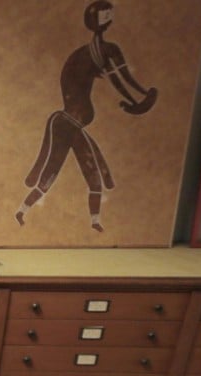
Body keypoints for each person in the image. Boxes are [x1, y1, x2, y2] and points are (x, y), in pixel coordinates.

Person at [15, 1, 157, 233]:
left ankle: (93, 221)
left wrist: (140, 97)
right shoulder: (96, 52)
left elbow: (119, 77)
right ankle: (22, 210)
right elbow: (119, 80)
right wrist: (138, 100)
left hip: (71, 125)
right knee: (52, 170)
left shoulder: (95, 52)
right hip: (65, 123)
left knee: (88, 167)